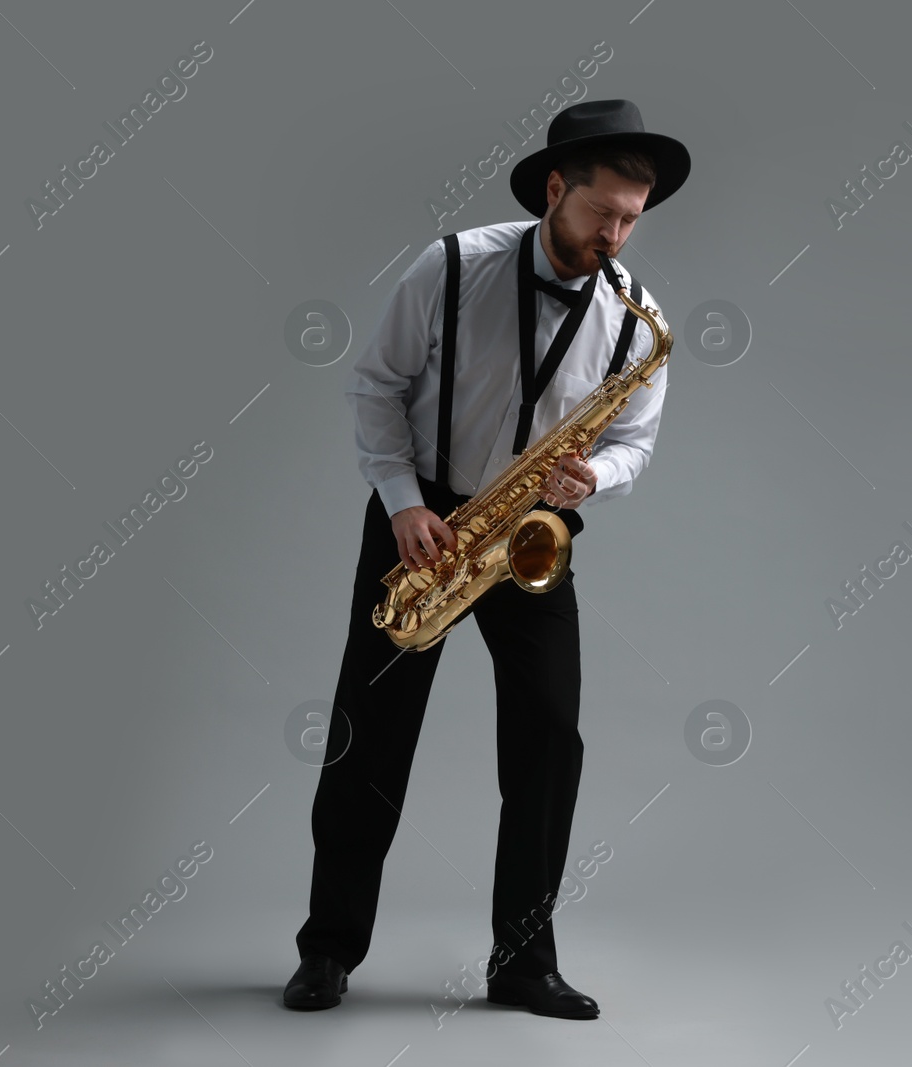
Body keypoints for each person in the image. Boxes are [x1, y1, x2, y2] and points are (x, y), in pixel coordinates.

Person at [285, 99, 689, 1020]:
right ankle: (327, 949)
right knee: (369, 740)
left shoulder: (638, 319)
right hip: (424, 523)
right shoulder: (452, 266)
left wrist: (598, 480)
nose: (618, 237)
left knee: (551, 742)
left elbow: (636, 443)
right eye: (603, 214)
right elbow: (376, 385)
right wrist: (404, 503)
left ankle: (523, 962)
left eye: (634, 218)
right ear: (556, 189)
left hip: (531, 538)